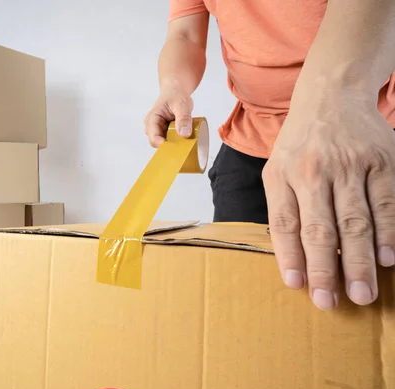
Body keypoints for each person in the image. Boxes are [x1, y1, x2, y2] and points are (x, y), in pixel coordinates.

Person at [144, 0, 395, 311]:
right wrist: (172, 86)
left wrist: (337, 98)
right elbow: (185, 35)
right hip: (252, 141)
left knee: (372, 291)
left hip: (362, 129)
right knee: (244, 292)